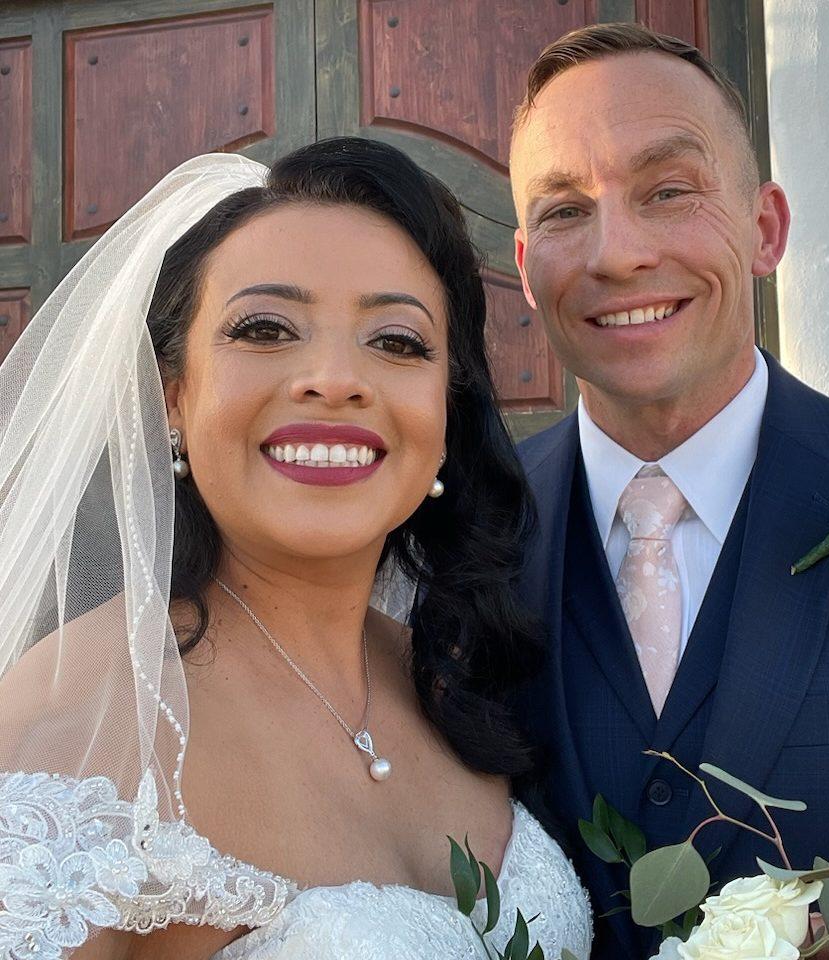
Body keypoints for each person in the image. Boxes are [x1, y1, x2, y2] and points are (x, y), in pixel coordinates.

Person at [0, 138, 592, 959]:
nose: (335, 378)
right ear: (172, 397)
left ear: (445, 411)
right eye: (267, 328)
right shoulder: (81, 726)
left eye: (397, 341)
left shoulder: (450, 674)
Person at [508, 22, 829, 960]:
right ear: (522, 267)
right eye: (562, 212)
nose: (617, 254)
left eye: (667, 191)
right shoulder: (455, 532)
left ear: (765, 229)